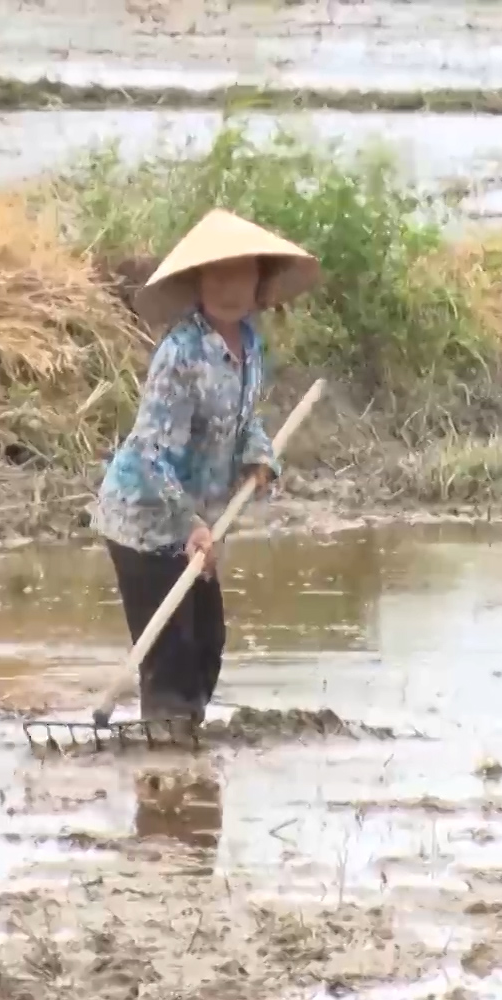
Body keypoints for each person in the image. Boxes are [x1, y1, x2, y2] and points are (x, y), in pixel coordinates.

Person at [91, 209, 321, 739]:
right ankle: (166, 769)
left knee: (208, 642)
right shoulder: (181, 353)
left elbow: (243, 422)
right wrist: (191, 522)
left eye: (240, 274)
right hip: (145, 519)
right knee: (170, 654)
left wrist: (260, 457)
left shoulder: (249, 345)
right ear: (197, 283)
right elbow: (151, 450)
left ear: (258, 281)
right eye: (216, 275)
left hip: (195, 523)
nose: (228, 288)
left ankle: (186, 749)